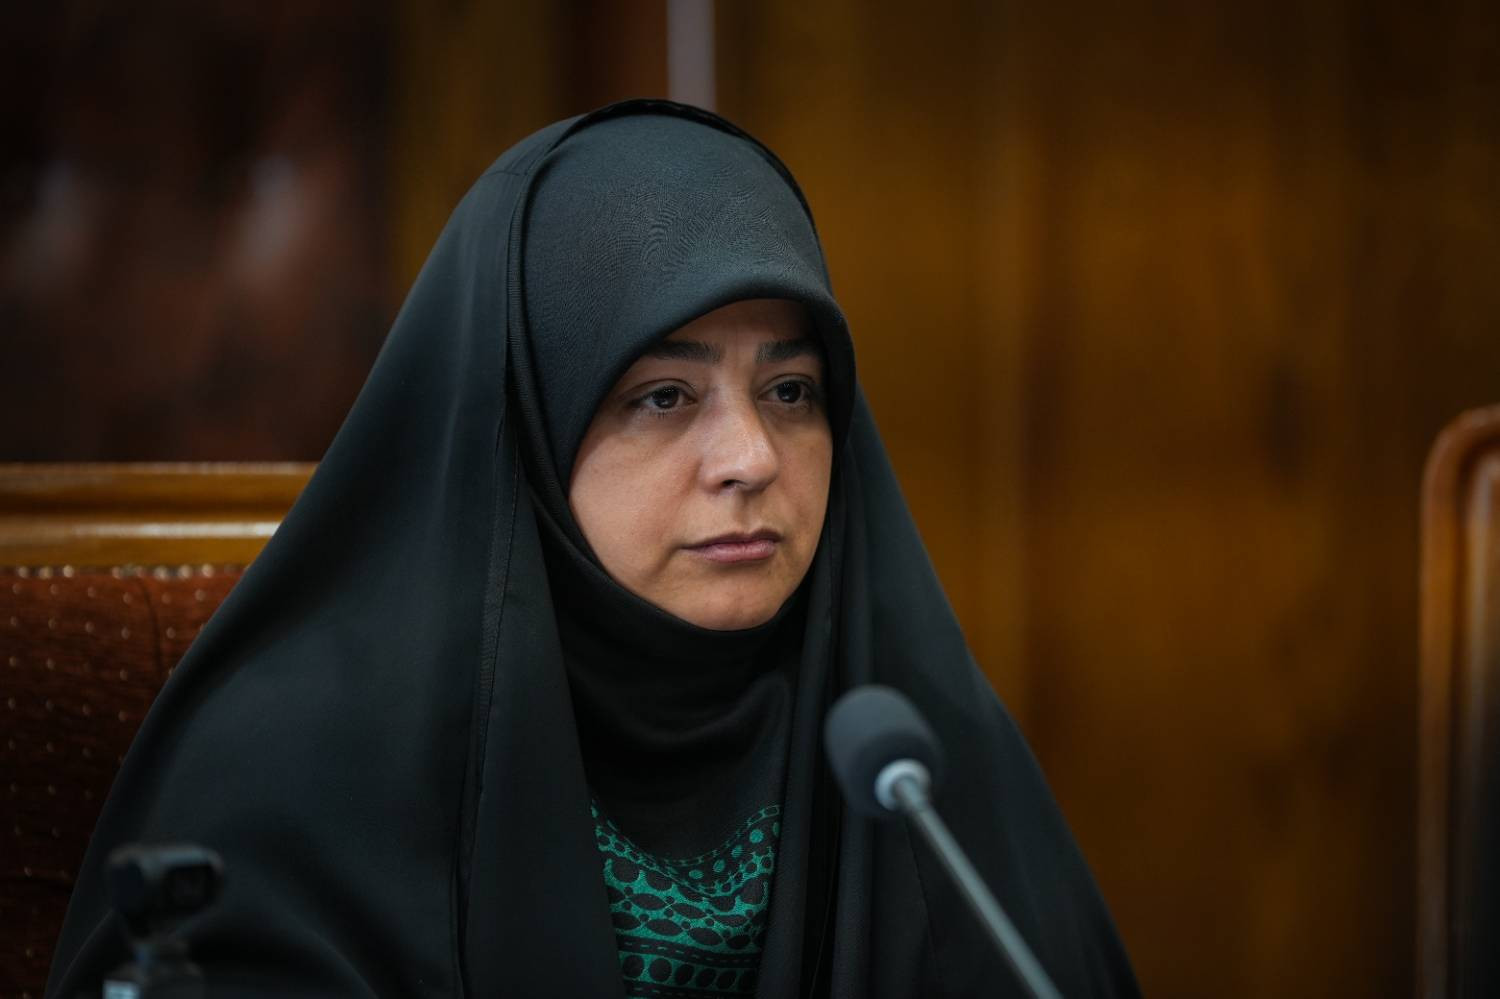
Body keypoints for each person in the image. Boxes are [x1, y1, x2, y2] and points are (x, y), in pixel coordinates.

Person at [48, 100, 1139, 998]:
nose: (751, 458)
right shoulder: (300, 766)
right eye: (663, 395)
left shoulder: (906, 749)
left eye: (791, 390)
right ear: (528, 427)